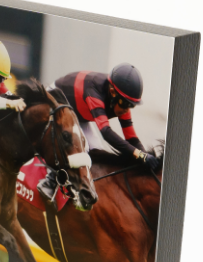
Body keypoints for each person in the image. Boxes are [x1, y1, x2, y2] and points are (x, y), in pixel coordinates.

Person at [37, 64, 158, 201]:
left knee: (96, 151)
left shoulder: (120, 101)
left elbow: (131, 138)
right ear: (112, 92)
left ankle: (82, 188)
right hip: (55, 101)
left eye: (131, 105)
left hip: (76, 114)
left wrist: (144, 157)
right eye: (125, 103)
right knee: (80, 150)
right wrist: (140, 155)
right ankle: (50, 181)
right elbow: (106, 132)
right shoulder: (94, 93)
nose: (127, 109)